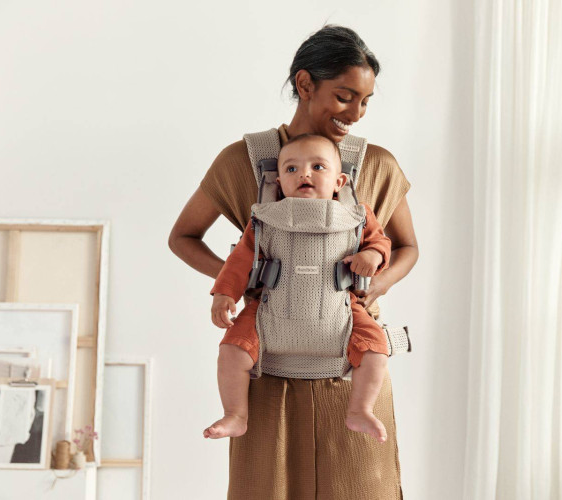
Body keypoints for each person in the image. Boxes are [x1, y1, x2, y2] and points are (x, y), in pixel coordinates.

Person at [168, 25, 418, 499]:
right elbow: (183, 237)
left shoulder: (377, 164)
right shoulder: (243, 160)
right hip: (266, 376)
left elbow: (407, 248)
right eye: (344, 97)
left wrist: (374, 284)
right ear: (305, 84)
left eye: (365, 102)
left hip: (353, 372)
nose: (355, 114)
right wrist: (240, 282)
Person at [204, 133, 393, 443]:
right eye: (292, 169)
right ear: (279, 182)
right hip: (269, 310)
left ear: (340, 181)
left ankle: (360, 409)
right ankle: (235, 414)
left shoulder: (358, 216)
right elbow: (240, 261)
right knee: (231, 349)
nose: (304, 174)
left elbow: (381, 243)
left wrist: (372, 255)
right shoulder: (264, 218)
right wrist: (224, 295)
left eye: (318, 167)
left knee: (376, 348)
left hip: (343, 311)